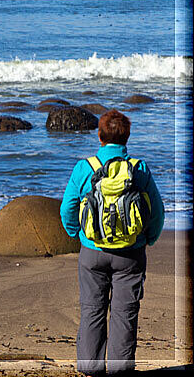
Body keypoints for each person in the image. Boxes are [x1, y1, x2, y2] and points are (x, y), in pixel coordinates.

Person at [60, 109, 165, 377]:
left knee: (92, 311)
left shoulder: (86, 167)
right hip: (130, 253)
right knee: (124, 315)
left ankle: (90, 370)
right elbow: (157, 211)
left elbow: (68, 207)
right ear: (127, 137)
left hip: (92, 252)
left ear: (100, 136)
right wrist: (149, 239)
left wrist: (77, 234)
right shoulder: (139, 168)